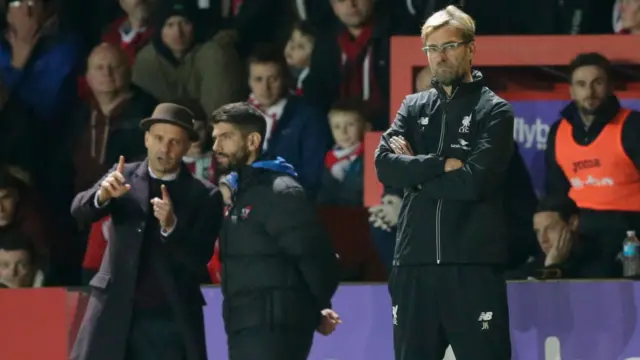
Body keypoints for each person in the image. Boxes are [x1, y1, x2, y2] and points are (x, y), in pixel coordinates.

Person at [374, 6, 513, 360]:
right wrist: (438, 165)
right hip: (412, 266)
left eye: (449, 46)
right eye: (431, 49)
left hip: (471, 267)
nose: (440, 56)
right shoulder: (412, 106)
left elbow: (473, 184)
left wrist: (415, 177)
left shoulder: (495, 111)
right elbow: (385, 167)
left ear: (470, 48)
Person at [69, 103, 224, 360]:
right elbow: (78, 211)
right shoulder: (124, 175)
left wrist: (172, 226)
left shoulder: (205, 195)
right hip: (114, 309)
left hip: (168, 318)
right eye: (159, 139)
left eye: (175, 142)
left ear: (186, 147)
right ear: (147, 139)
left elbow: (199, 256)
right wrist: (102, 195)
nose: (165, 148)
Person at [211, 102, 341, 360]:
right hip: (245, 325)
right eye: (215, 138)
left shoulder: (280, 190)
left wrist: (319, 306)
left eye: (226, 137)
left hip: (275, 330)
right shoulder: (239, 192)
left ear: (253, 141)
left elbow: (316, 257)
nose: (216, 147)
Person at [545, 52, 640, 269]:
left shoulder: (633, 126)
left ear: (610, 87)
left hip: (629, 233)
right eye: (581, 84)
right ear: (571, 90)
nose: (589, 92)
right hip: (581, 237)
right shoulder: (558, 132)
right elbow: (556, 193)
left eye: (597, 83)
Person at [508, 196, 616, 280]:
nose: (543, 239)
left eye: (550, 229)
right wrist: (550, 266)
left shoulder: (601, 263)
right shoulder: (533, 267)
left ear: (573, 223)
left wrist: (552, 269)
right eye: (538, 231)